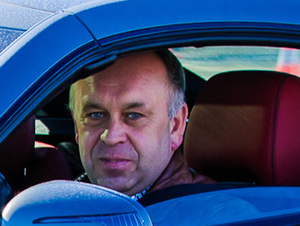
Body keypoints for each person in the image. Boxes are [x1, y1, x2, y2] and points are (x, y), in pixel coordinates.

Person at [72, 48, 211, 199]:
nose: (111, 137)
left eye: (134, 116)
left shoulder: (216, 218)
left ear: (175, 126)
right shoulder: (62, 202)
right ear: (76, 127)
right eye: (96, 115)